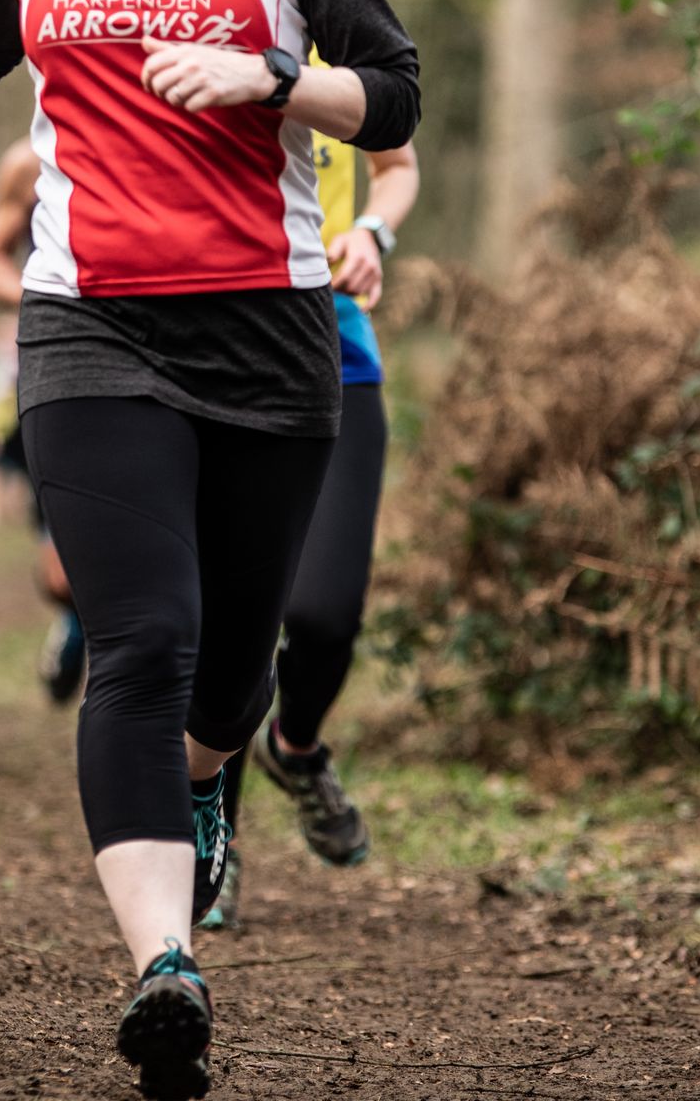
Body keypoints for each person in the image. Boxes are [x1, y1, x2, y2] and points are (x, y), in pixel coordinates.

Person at [0, 0, 419, 1101]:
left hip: (269, 328)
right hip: (91, 323)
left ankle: (215, 787)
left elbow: (394, 93)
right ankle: (164, 965)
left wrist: (274, 78)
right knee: (141, 643)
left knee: (232, 676)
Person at [202, 126, 419, 931]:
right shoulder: (175, 52)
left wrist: (371, 231)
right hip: (208, 345)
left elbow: (397, 164)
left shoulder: (339, 61)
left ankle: (294, 746)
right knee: (228, 615)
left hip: (334, 345)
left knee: (326, 613)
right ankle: (214, 841)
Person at [0, 139, 85, 704]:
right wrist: (47, 301)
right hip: (60, 368)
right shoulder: (29, 161)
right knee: (61, 578)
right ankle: (78, 621)